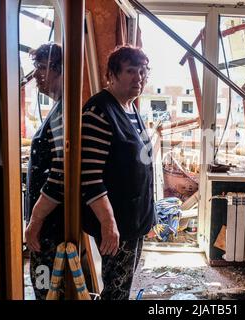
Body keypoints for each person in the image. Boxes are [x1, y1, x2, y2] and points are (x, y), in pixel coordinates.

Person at [81, 45, 155, 300]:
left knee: (122, 287)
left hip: (134, 220)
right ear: (111, 75)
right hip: (117, 223)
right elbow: (89, 177)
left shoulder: (130, 107)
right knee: (116, 291)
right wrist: (108, 223)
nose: (139, 78)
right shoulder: (100, 110)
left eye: (143, 71)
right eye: (130, 71)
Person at [24, 42, 64, 300]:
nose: (36, 75)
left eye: (41, 67)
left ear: (58, 69)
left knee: (44, 286)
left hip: (49, 226)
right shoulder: (58, 109)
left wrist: (35, 221)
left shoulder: (63, 114)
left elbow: (59, 175)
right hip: (47, 223)